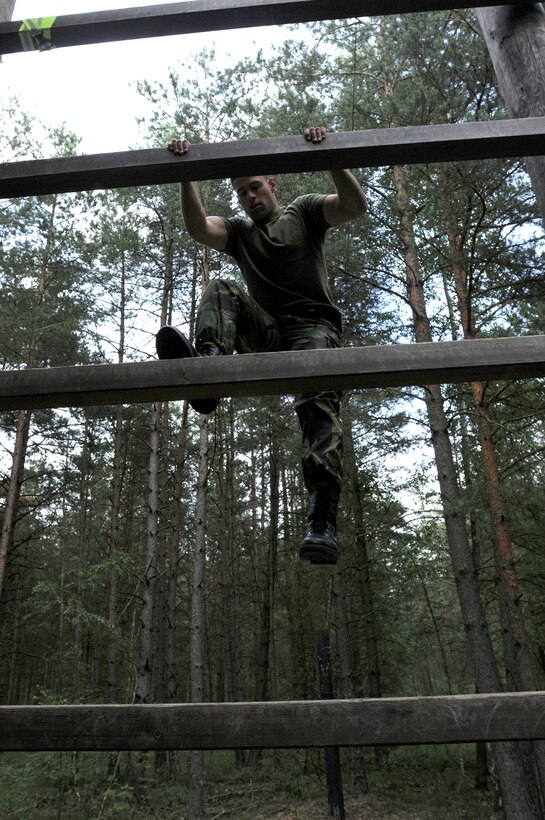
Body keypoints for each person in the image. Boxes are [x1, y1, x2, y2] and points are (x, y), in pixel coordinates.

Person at [156, 126, 367, 565]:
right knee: (220, 287)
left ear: (273, 184)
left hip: (313, 327)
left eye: (255, 187)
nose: (249, 198)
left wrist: (327, 155)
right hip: (268, 331)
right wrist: (186, 173)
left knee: (317, 400)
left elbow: (353, 206)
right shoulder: (238, 232)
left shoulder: (303, 212)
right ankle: (209, 370)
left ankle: (322, 520)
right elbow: (199, 228)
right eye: (241, 193)